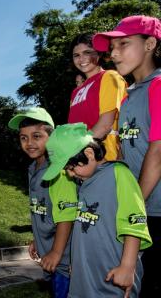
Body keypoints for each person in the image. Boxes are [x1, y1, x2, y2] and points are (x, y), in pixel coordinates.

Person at [92, 15, 161, 297]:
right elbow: (124, 152)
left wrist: (133, 209)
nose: (114, 53)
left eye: (123, 44)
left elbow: (157, 153)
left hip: (153, 210)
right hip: (138, 210)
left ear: (150, 44)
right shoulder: (128, 95)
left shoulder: (158, 87)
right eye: (112, 47)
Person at [43, 123, 152, 297]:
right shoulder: (84, 181)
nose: (70, 174)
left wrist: (127, 266)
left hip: (112, 278)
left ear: (89, 154)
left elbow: (134, 222)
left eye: (71, 168)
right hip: (84, 279)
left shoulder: (119, 174)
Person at [8, 107, 77, 298]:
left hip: (64, 261)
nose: (29, 143)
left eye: (36, 136)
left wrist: (55, 252)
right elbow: (43, 209)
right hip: (49, 257)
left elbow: (66, 216)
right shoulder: (33, 168)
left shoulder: (58, 171)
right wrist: (37, 240)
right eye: (23, 137)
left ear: (51, 137)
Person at [69, 33, 127, 161]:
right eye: (76, 55)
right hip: (80, 162)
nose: (82, 59)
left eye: (87, 53)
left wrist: (76, 153)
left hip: (106, 158)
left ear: (99, 54)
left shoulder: (110, 77)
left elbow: (105, 124)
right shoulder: (76, 92)